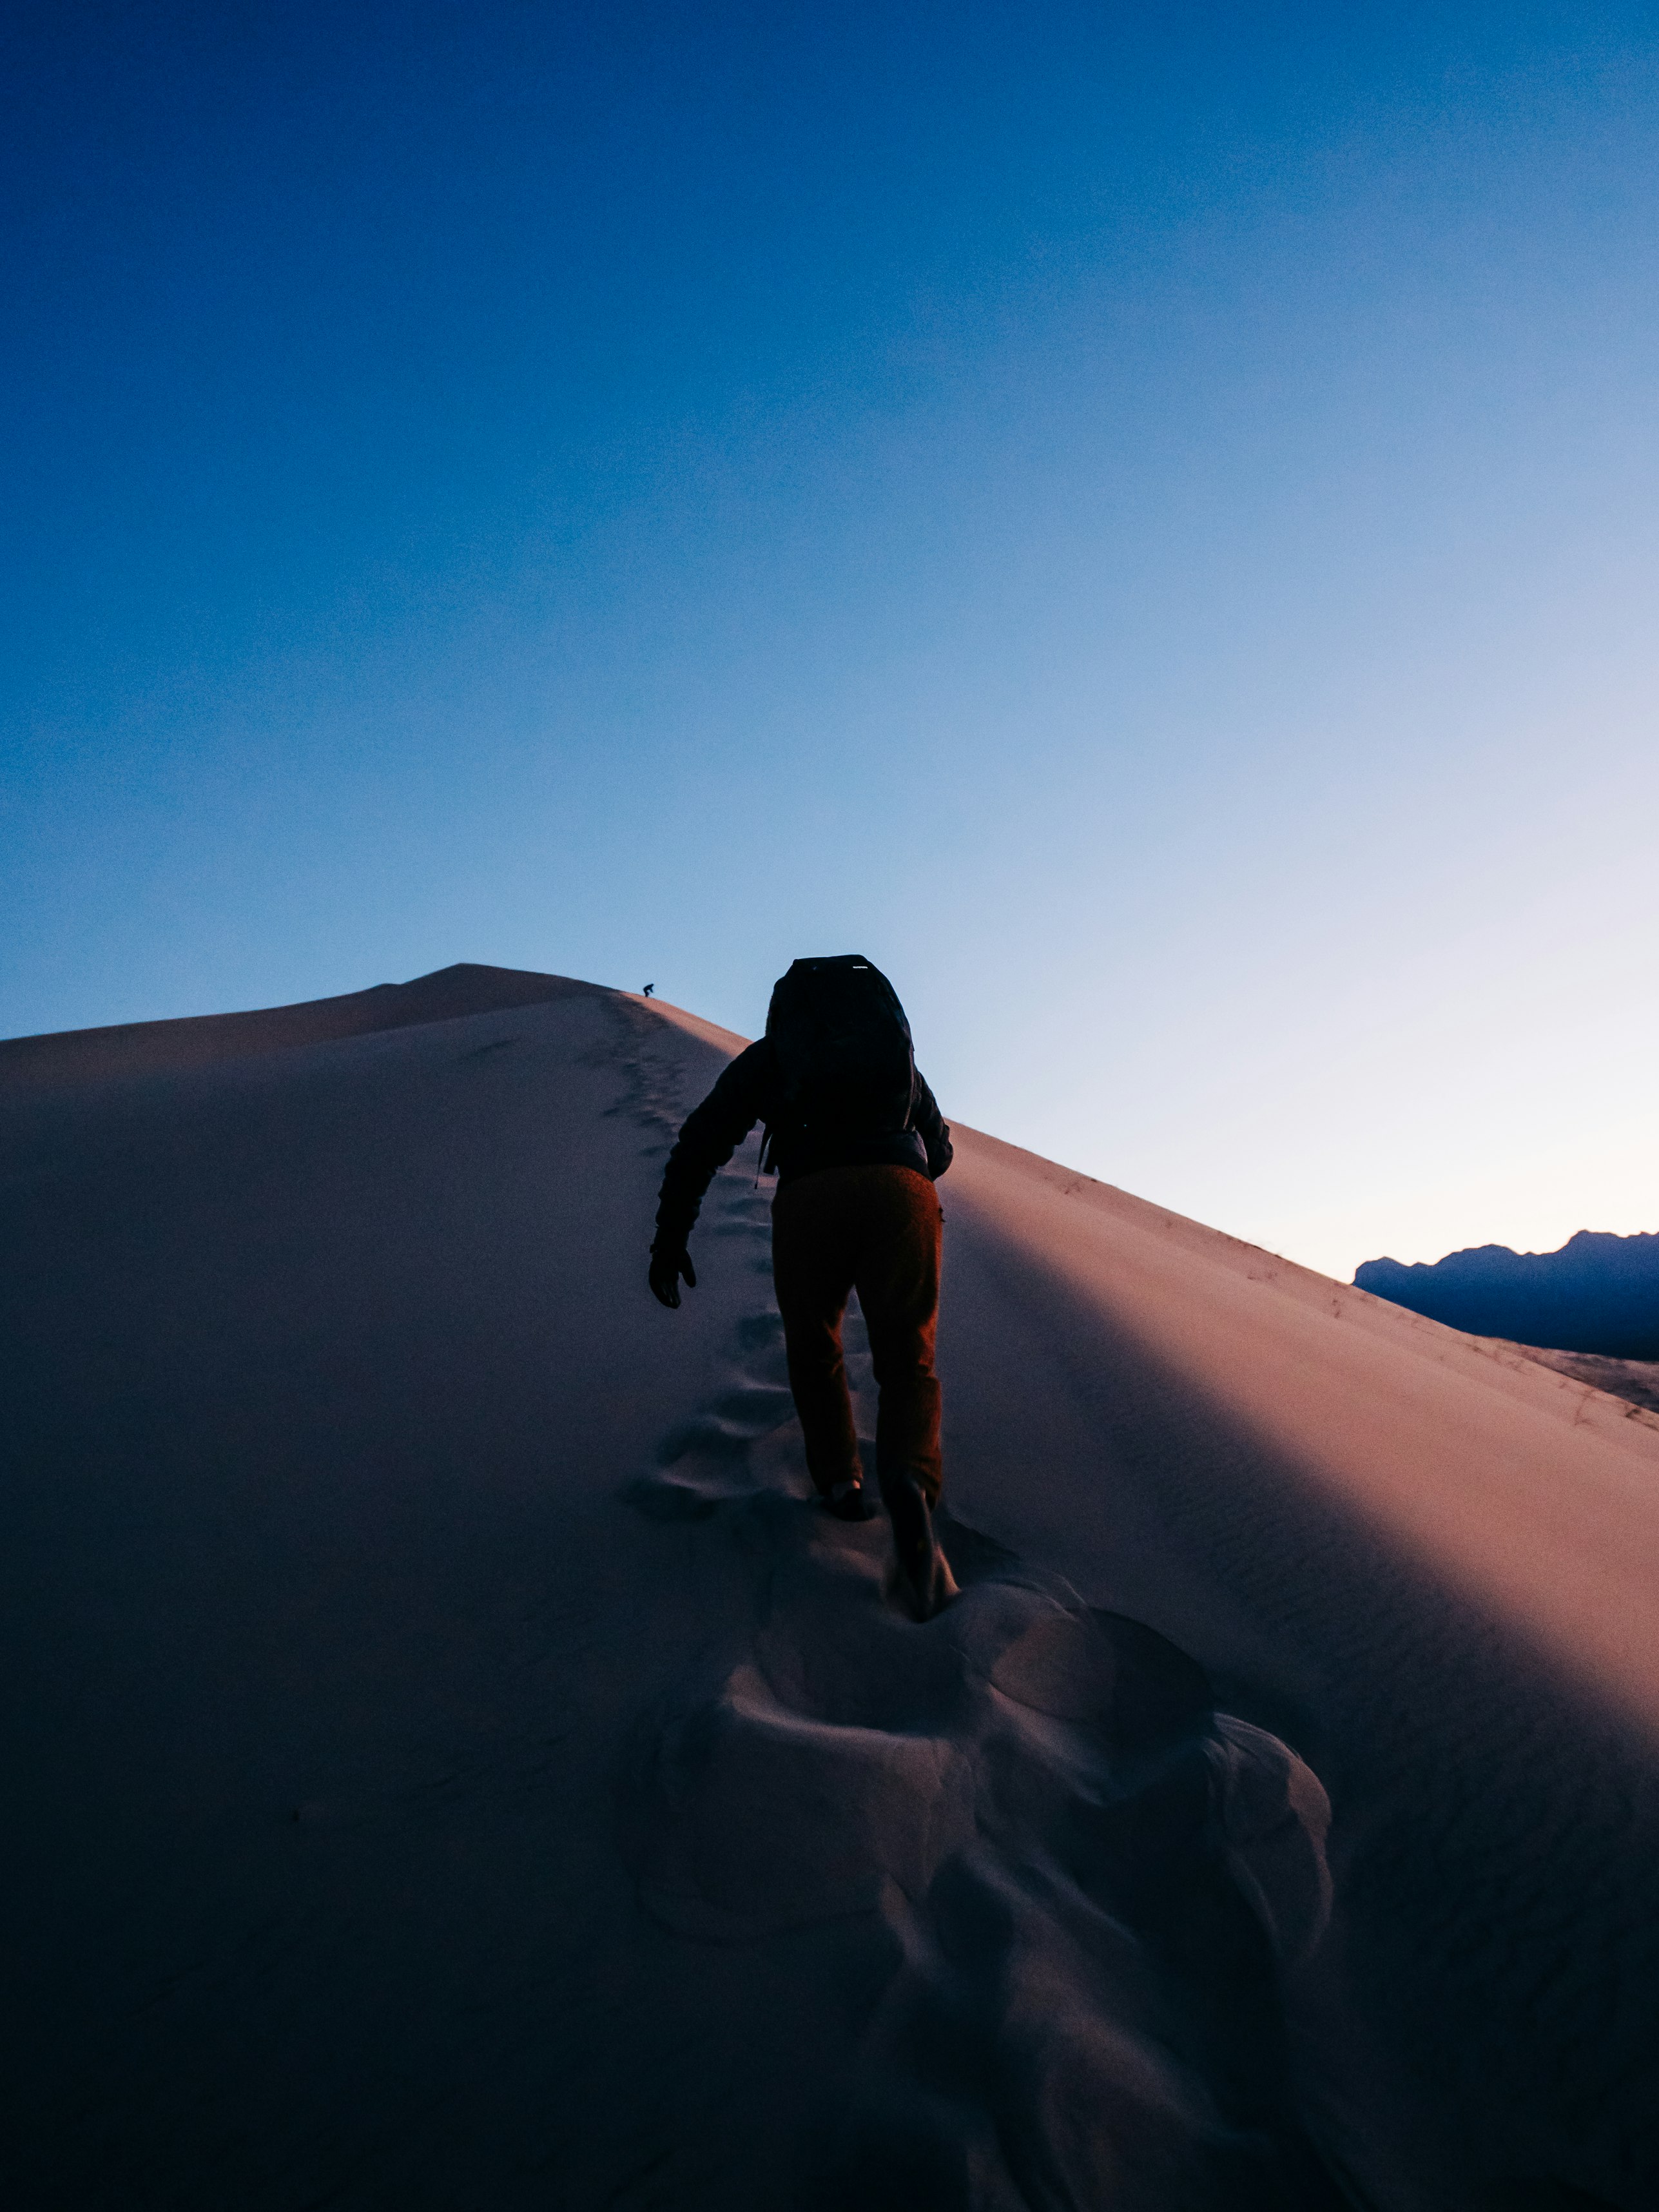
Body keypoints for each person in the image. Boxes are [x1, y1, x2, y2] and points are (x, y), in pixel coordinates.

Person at [649, 955, 958, 1619]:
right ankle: (910, 1483)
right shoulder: (894, 1058)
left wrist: (670, 1239)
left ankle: (842, 1484)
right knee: (909, 1359)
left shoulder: (774, 1056)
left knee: (815, 1347)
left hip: (811, 1194)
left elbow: (702, 1140)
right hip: (901, 1191)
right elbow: (941, 1149)